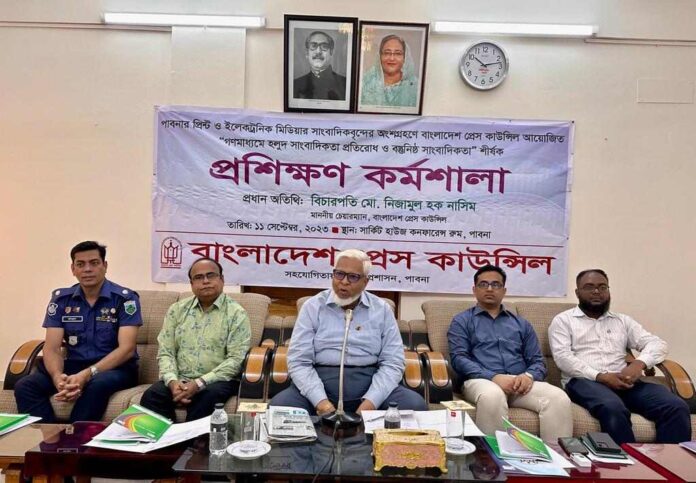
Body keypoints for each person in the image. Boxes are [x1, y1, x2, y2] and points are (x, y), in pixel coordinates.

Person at [270, 249, 427, 415]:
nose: (344, 282)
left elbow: (393, 362)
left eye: (353, 277)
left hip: (369, 382)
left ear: (365, 282)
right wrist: (321, 403)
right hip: (319, 381)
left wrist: (370, 404)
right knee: (280, 408)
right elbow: (298, 361)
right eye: (339, 274)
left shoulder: (382, 310)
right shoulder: (313, 307)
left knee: (414, 406)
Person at [549, 269, 691, 444]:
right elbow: (563, 358)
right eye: (589, 287)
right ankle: (628, 460)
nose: (597, 291)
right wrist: (601, 376)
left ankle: (668, 461)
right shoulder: (563, 321)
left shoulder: (622, 321)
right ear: (577, 292)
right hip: (584, 382)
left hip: (625, 382)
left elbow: (657, 344)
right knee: (613, 408)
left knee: (676, 406)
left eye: (602, 287)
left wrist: (639, 363)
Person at [15, 241, 142, 422]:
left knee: (97, 384)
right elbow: (52, 348)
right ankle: (49, 436)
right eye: (80, 264)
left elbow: (127, 349)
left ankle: (75, 437)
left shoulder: (125, 299)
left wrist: (86, 374)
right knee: (25, 385)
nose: (87, 269)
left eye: (94, 263)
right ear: (73, 269)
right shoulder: (61, 300)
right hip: (73, 365)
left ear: (105, 266)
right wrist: (58, 378)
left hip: (114, 369)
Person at [448, 264, 573, 440]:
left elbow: (538, 361)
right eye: (483, 284)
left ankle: (556, 455)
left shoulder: (522, 324)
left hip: (519, 384)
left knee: (558, 397)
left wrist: (528, 376)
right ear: (474, 290)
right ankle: (492, 456)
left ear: (504, 290)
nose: (489, 289)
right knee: (492, 395)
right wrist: (493, 377)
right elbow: (459, 359)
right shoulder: (462, 321)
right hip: (481, 381)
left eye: (496, 284)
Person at [139, 257, 251, 421]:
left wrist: (199, 383)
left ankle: (192, 439)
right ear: (191, 284)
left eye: (211, 275)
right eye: (198, 277)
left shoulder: (236, 313)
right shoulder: (177, 310)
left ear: (222, 279)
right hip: (180, 378)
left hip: (217, 381)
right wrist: (172, 382)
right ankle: (168, 438)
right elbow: (166, 352)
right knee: (152, 395)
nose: (205, 281)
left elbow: (236, 360)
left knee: (206, 397)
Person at [360, 34, 418, 108]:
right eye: (387, 53)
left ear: (405, 58)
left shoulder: (415, 87)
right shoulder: (365, 84)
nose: (392, 58)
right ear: (380, 56)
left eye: (398, 53)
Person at [293, 31, 346, 100]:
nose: (318, 51)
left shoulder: (345, 84)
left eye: (324, 46)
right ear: (307, 53)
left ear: (331, 52)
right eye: (313, 46)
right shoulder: (295, 85)